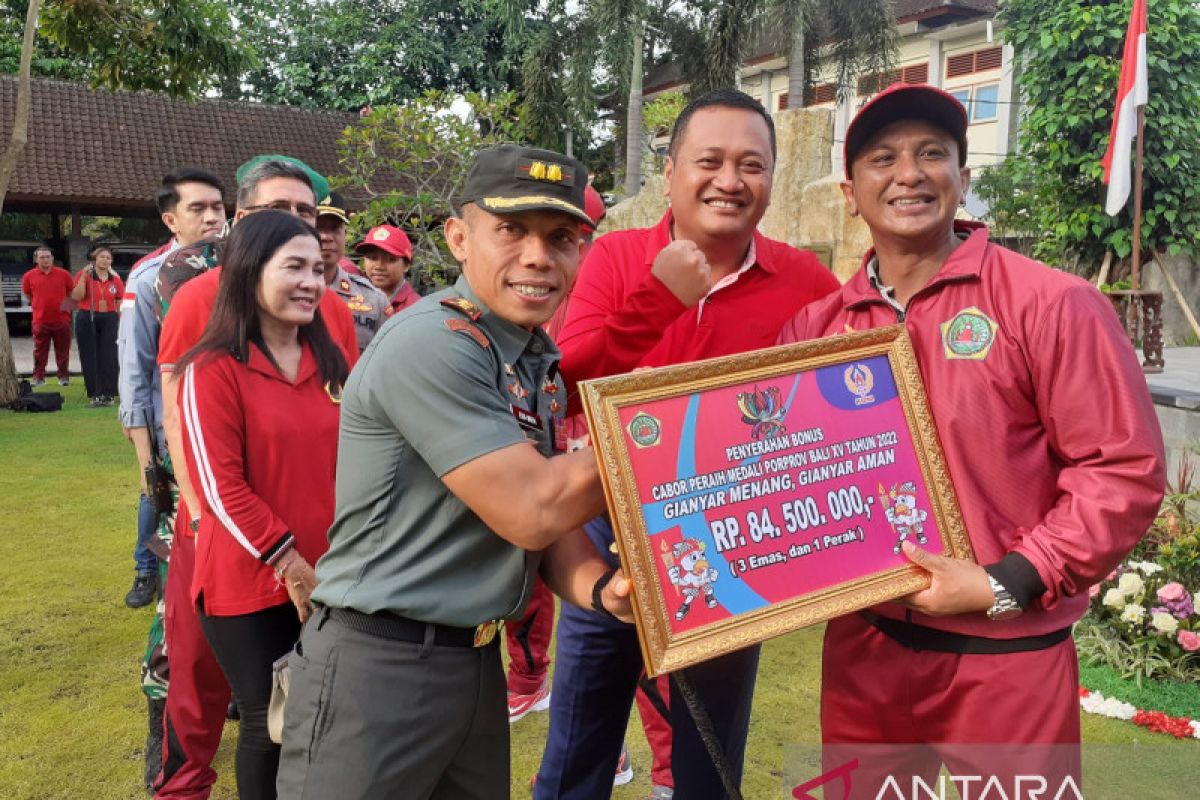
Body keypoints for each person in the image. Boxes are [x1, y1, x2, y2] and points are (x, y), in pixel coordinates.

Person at [776, 82, 1166, 795]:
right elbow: (784, 478)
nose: (909, 174)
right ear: (849, 190)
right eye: (882, 158)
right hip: (868, 649)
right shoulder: (814, 330)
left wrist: (1004, 582)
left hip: (1009, 655)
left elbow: (1122, 471)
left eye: (933, 154)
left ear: (964, 175)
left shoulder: (1052, 303)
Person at [276, 144, 633, 800]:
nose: (537, 256)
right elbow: (535, 505)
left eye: (561, 237)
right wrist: (682, 438)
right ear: (460, 238)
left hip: (471, 661)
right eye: (511, 230)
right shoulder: (435, 343)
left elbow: (544, 533)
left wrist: (601, 588)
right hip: (377, 667)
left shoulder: (529, 358)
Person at [539, 89, 841, 800]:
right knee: (580, 747)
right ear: (671, 172)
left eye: (751, 165)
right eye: (709, 161)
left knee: (710, 750)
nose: (729, 181)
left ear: (772, 178)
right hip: (608, 530)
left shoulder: (808, 282)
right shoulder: (612, 259)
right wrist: (662, 297)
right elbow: (571, 374)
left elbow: (844, 403)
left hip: (734, 549)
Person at [153, 155, 359, 800]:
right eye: (291, 268)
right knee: (270, 721)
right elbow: (216, 484)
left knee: (325, 715)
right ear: (249, 269)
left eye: (317, 269)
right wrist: (290, 561)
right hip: (252, 572)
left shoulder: (328, 350)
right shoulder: (213, 364)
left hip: (331, 568)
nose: (309, 282)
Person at [118, 167, 227, 611]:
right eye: (197, 209)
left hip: (221, 425)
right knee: (158, 498)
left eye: (217, 207)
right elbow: (134, 367)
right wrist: (145, 452)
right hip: (171, 427)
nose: (211, 218)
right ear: (170, 220)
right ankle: (145, 571)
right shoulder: (147, 278)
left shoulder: (241, 266)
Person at [316, 192, 388, 350]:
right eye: (317, 228)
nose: (326, 237)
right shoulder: (281, 292)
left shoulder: (374, 300)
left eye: (335, 229)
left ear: (345, 235)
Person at [71, 244, 124, 406]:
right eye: (101, 257)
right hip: (88, 316)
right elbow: (77, 296)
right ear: (94, 258)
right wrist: (82, 278)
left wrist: (120, 319)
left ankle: (109, 393)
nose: (105, 260)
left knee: (109, 356)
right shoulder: (85, 274)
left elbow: (120, 300)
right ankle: (95, 393)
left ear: (111, 261)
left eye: (108, 258)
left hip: (109, 318)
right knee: (90, 355)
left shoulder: (115, 279)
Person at [21, 246, 73, 387]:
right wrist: (38, 305)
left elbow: (71, 294)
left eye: (48, 256)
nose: (46, 259)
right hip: (40, 320)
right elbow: (27, 294)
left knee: (63, 351)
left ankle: (63, 377)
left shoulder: (64, 274)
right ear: (36, 260)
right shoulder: (28, 276)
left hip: (62, 321)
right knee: (39, 352)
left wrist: (66, 313)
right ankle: (38, 377)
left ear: (52, 258)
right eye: (42, 257)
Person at [357, 223, 420, 315]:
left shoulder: (414, 309)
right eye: (372, 258)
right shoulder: (357, 299)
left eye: (390, 260)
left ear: (406, 265)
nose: (379, 266)